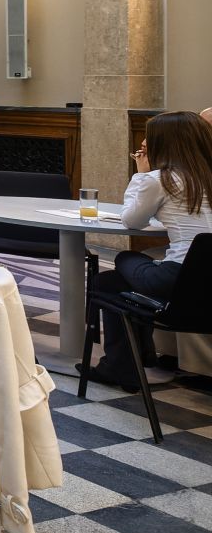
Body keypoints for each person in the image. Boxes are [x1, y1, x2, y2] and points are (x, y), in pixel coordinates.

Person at [80, 111, 212, 391]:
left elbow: (132, 220)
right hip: (204, 288)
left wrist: (141, 176)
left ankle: (123, 369)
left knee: (123, 258)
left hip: (177, 284)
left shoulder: (159, 179)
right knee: (109, 282)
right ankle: (131, 361)